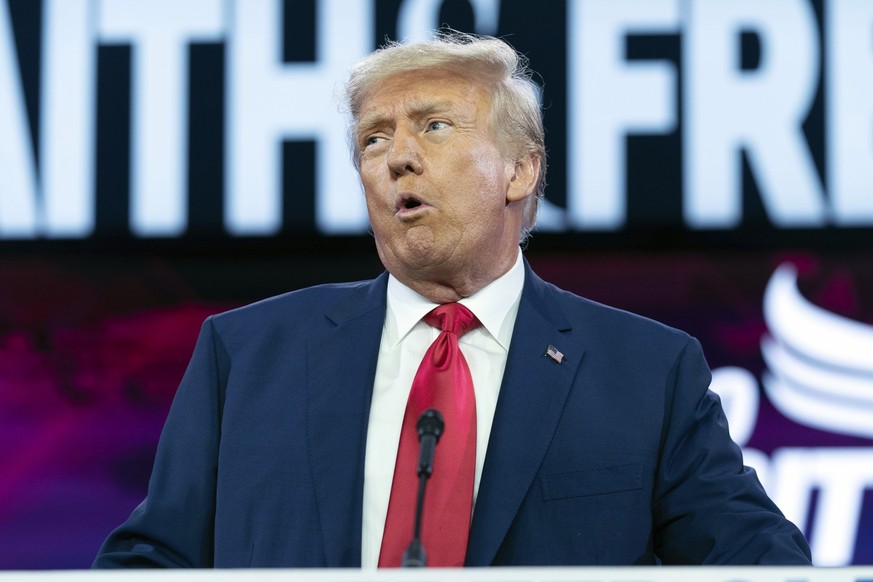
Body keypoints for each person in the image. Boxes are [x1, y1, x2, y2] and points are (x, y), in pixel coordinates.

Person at [93, 31, 812, 568]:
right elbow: (152, 563)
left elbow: (755, 563)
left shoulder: (645, 372)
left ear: (519, 171)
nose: (396, 155)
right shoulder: (246, 357)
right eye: (374, 138)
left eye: (432, 126)